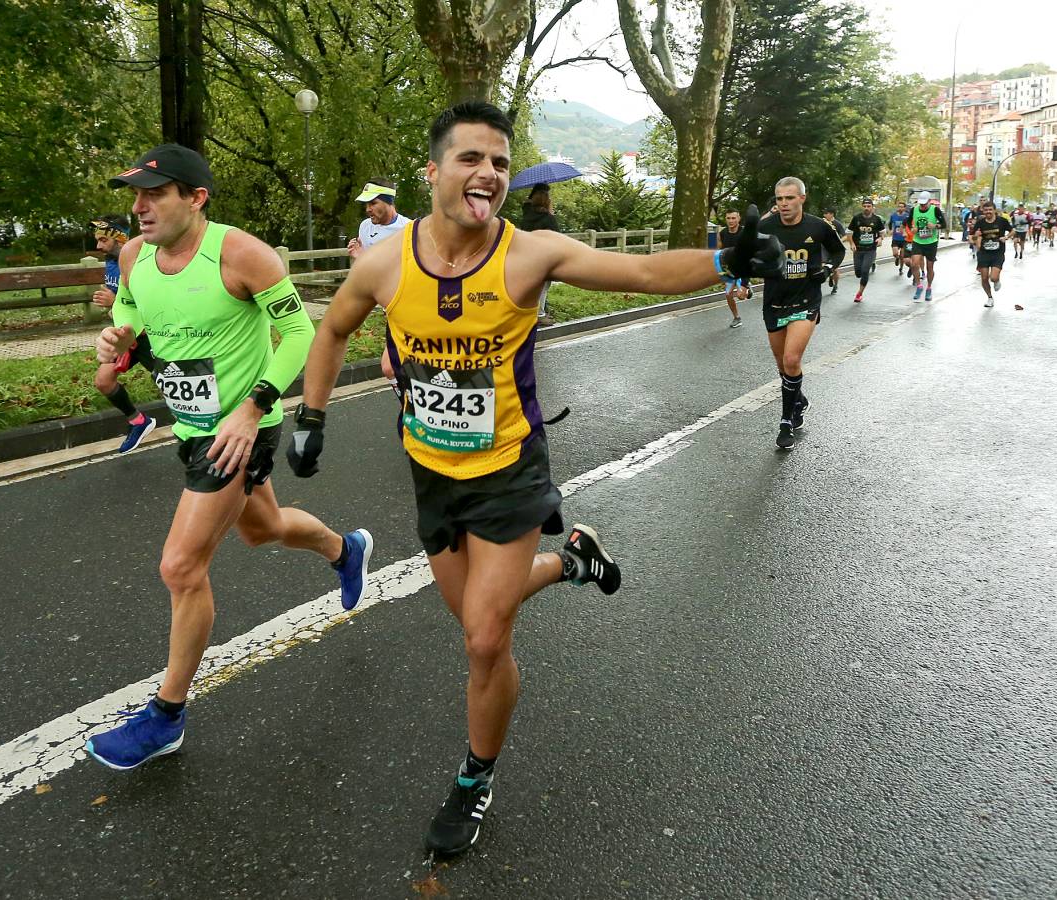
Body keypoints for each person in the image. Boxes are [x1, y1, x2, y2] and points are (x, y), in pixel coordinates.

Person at [286, 101, 781, 856]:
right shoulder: (384, 262)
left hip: (511, 468)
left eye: (499, 162)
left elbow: (642, 272)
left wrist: (727, 260)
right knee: (474, 619)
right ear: (433, 172)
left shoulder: (530, 253)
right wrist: (312, 416)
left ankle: (474, 778)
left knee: (485, 640)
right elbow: (332, 330)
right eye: (470, 158)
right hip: (431, 470)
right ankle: (576, 559)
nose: (487, 172)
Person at [84, 144, 374, 771]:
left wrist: (255, 405)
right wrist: (117, 338)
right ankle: (344, 549)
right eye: (135, 196)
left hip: (241, 430)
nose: (138, 208)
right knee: (263, 529)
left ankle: (166, 716)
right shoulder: (134, 258)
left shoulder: (242, 254)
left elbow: (300, 331)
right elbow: (133, 320)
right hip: (191, 425)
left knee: (181, 566)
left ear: (196, 198)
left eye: (154, 194)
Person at [757, 178, 844, 449]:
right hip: (774, 302)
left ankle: (786, 422)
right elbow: (748, 255)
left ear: (802, 199)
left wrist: (828, 268)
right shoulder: (765, 227)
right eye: (779, 199)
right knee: (783, 365)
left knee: (792, 359)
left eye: (790, 198)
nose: (784, 204)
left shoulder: (818, 226)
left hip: (806, 301)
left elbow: (839, 251)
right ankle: (799, 399)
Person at [89, 215, 158, 453]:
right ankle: (139, 421)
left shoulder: (141, 259)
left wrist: (113, 300)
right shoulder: (110, 262)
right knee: (103, 381)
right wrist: (112, 305)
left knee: (173, 385)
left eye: (102, 239)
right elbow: (122, 304)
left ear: (118, 236)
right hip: (125, 338)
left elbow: (154, 301)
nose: (98, 246)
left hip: (150, 336)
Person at [348, 180, 413, 393]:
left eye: (373, 203)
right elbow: (366, 271)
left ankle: (414, 412)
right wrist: (358, 257)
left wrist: (365, 258)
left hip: (412, 309)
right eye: (365, 204)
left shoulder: (409, 229)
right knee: (391, 369)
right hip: (389, 310)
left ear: (389, 201)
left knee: (391, 367)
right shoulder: (365, 228)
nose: (368, 209)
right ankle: (412, 410)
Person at [517, 183, 561, 326]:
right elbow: (557, 238)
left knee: (530, 286)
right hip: (544, 257)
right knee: (543, 287)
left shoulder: (527, 215)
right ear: (547, 201)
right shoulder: (548, 219)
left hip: (527, 256)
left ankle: (527, 313)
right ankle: (539, 314)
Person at [907, 191, 948, 302]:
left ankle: (929, 287)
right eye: (921, 204)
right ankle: (919, 286)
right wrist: (912, 229)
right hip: (918, 241)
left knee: (930, 267)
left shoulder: (935, 210)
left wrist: (935, 226)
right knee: (914, 263)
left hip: (931, 242)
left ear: (929, 201)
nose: (923, 206)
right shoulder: (914, 210)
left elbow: (944, 224)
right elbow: (908, 222)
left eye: (925, 204)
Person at [970, 200, 1010, 308]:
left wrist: (1006, 237)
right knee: (984, 278)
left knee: (993, 277)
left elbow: (1013, 230)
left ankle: (996, 281)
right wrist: (975, 236)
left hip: (998, 253)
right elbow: (971, 238)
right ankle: (989, 298)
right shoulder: (980, 222)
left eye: (990, 210)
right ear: (983, 211)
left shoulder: (1002, 221)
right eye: (986, 210)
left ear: (994, 210)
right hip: (984, 253)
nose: (988, 212)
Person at [845, 198, 884, 303]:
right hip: (858, 249)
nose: (866, 208)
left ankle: (859, 294)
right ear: (862, 207)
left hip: (871, 249)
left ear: (872, 207)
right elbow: (849, 232)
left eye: (868, 206)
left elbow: (882, 232)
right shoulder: (856, 218)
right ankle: (865, 269)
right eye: (865, 206)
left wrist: (880, 239)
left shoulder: (877, 219)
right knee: (858, 273)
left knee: (865, 271)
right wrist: (852, 243)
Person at [717, 209, 749, 326]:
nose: (731, 221)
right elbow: (719, 253)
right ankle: (737, 317)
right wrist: (720, 271)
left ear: (739, 219)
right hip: (729, 270)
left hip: (744, 268)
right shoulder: (722, 234)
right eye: (728, 218)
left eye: (733, 218)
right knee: (728, 294)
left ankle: (746, 288)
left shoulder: (745, 232)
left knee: (741, 296)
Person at [821, 208, 846, 294]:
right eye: (824, 214)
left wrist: (839, 241)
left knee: (834, 269)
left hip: (835, 250)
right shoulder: (822, 222)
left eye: (826, 213)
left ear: (832, 214)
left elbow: (845, 236)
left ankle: (835, 285)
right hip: (824, 249)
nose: (824, 215)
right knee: (823, 265)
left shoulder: (837, 224)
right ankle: (829, 275)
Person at [887, 200, 910, 276]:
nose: (900, 208)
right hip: (896, 238)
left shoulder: (907, 216)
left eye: (902, 207)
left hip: (904, 239)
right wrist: (890, 230)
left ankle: (901, 269)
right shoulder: (893, 215)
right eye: (899, 207)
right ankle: (896, 258)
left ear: (904, 208)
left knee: (903, 256)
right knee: (895, 253)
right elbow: (890, 224)